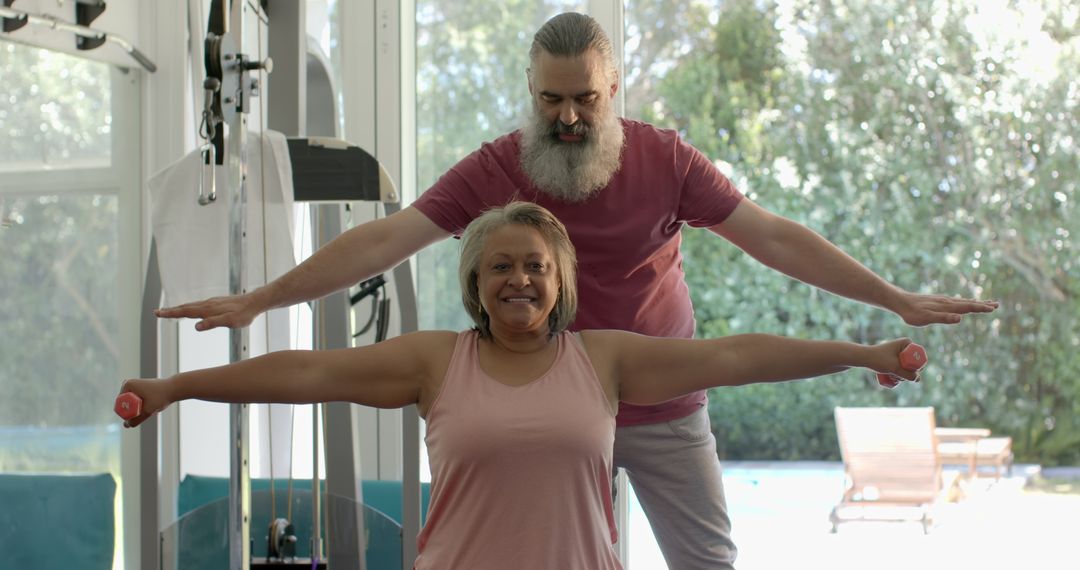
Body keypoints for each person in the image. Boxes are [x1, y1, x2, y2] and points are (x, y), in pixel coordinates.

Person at [156, 12, 998, 569]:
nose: (568, 118)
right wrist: (261, 299)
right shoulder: (495, 167)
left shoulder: (666, 159)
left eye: (585, 100)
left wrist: (891, 302)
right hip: (541, 404)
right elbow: (387, 238)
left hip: (660, 399)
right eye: (552, 99)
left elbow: (771, 239)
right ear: (532, 93)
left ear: (614, 90)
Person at [128, 202, 926, 570]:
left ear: (560, 281)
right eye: (500, 266)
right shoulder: (434, 362)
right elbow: (305, 372)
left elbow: (738, 357)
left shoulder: (606, 359)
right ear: (476, 281)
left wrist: (863, 353)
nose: (518, 280)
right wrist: (177, 387)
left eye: (535, 266)